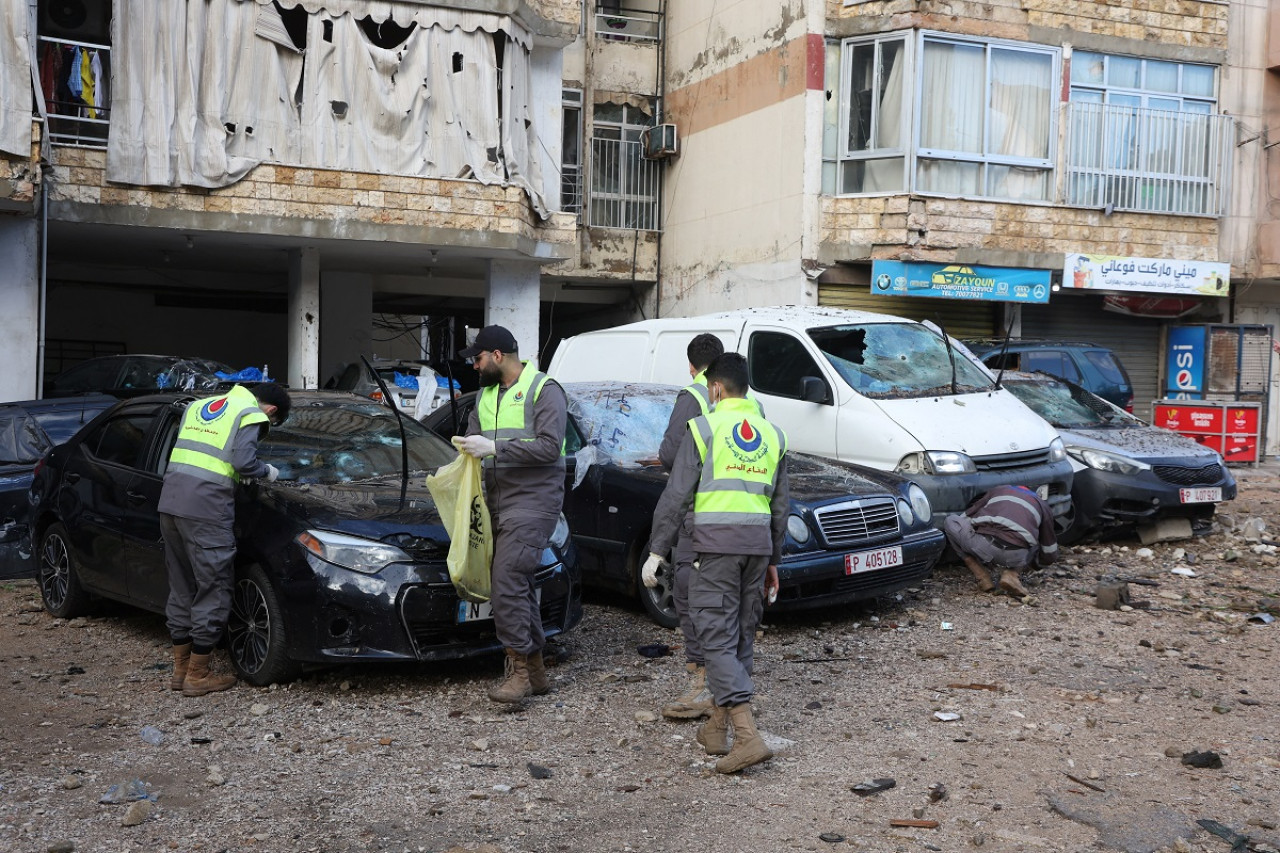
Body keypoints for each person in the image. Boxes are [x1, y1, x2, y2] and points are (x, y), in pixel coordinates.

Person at [643, 353, 788, 773]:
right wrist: (774, 559)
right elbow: (780, 505)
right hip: (756, 548)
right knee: (740, 633)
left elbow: (676, 494)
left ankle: (746, 735)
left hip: (714, 546)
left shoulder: (705, 427)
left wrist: (656, 551)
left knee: (714, 637)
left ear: (716, 388)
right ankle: (717, 730)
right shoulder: (773, 434)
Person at [456, 325, 567, 704]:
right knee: (516, 585)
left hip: (534, 502)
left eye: (478, 357)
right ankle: (535, 672)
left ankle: (518, 670)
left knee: (506, 581)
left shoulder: (544, 389)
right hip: (496, 503)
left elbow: (551, 447)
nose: (475, 365)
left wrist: (495, 447)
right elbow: (472, 446)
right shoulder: (485, 397)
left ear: (498, 356)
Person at [160, 382, 291, 696]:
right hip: (206, 509)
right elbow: (243, 462)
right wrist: (268, 472)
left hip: (171, 502)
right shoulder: (250, 414)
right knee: (214, 587)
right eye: (271, 424)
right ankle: (197, 676)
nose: (266, 426)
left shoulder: (199, 406)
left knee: (181, 585)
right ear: (271, 411)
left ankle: (179, 672)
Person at [653, 332, 724, 720]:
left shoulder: (693, 396)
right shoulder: (752, 404)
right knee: (729, 603)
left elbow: (669, 453)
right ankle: (728, 685)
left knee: (688, 594)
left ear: (693, 367)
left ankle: (704, 683)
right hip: (745, 518)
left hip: (700, 512)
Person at [943, 485, 1058, 598]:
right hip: (1016, 556)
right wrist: (1031, 566)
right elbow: (1050, 553)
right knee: (1038, 540)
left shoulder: (998, 490)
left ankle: (981, 574)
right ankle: (1012, 574)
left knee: (951, 521)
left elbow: (965, 518)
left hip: (983, 546)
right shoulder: (1042, 505)